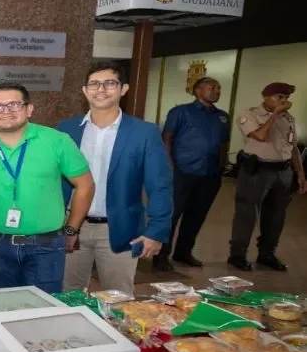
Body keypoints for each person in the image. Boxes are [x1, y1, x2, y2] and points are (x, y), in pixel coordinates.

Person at [0, 83, 94, 293]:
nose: (6, 111)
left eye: (14, 104)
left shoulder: (57, 141)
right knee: (6, 307)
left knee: (44, 310)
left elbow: (85, 185)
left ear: (29, 109)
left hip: (47, 245)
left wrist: (71, 229)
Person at [59, 61, 173, 294]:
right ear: (84, 90)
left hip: (120, 228)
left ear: (123, 89)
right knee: (67, 294)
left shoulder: (144, 132)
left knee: (118, 299)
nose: (101, 89)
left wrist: (156, 230)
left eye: (110, 83)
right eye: (94, 84)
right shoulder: (66, 129)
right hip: (71, 226)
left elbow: (160, 184)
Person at [228, 82, 307, 272]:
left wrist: (301, 174)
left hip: (283, 171)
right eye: (279, 97)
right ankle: (237, 255)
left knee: (276, 215)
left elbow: (293, 148)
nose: (284, 101)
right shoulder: (250, 115)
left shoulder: (288, 118)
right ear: (265, 97)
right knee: (247, 214)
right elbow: (261, 136)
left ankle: (267, 254)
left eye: (286, 98)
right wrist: (275, 114)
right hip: (257, 170)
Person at [154, 77, 229, 271]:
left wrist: (221, 168)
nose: (217, 91)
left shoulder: (222, 116)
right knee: (172, 215)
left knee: (197, 215)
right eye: (212, 87)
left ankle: (183, 252)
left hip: (210, 174)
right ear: (197, 90)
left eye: (219, 88)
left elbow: (223, 144)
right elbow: (167, 139)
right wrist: (169, 167)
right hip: (182, 172)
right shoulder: (181, 112)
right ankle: (161, 255)